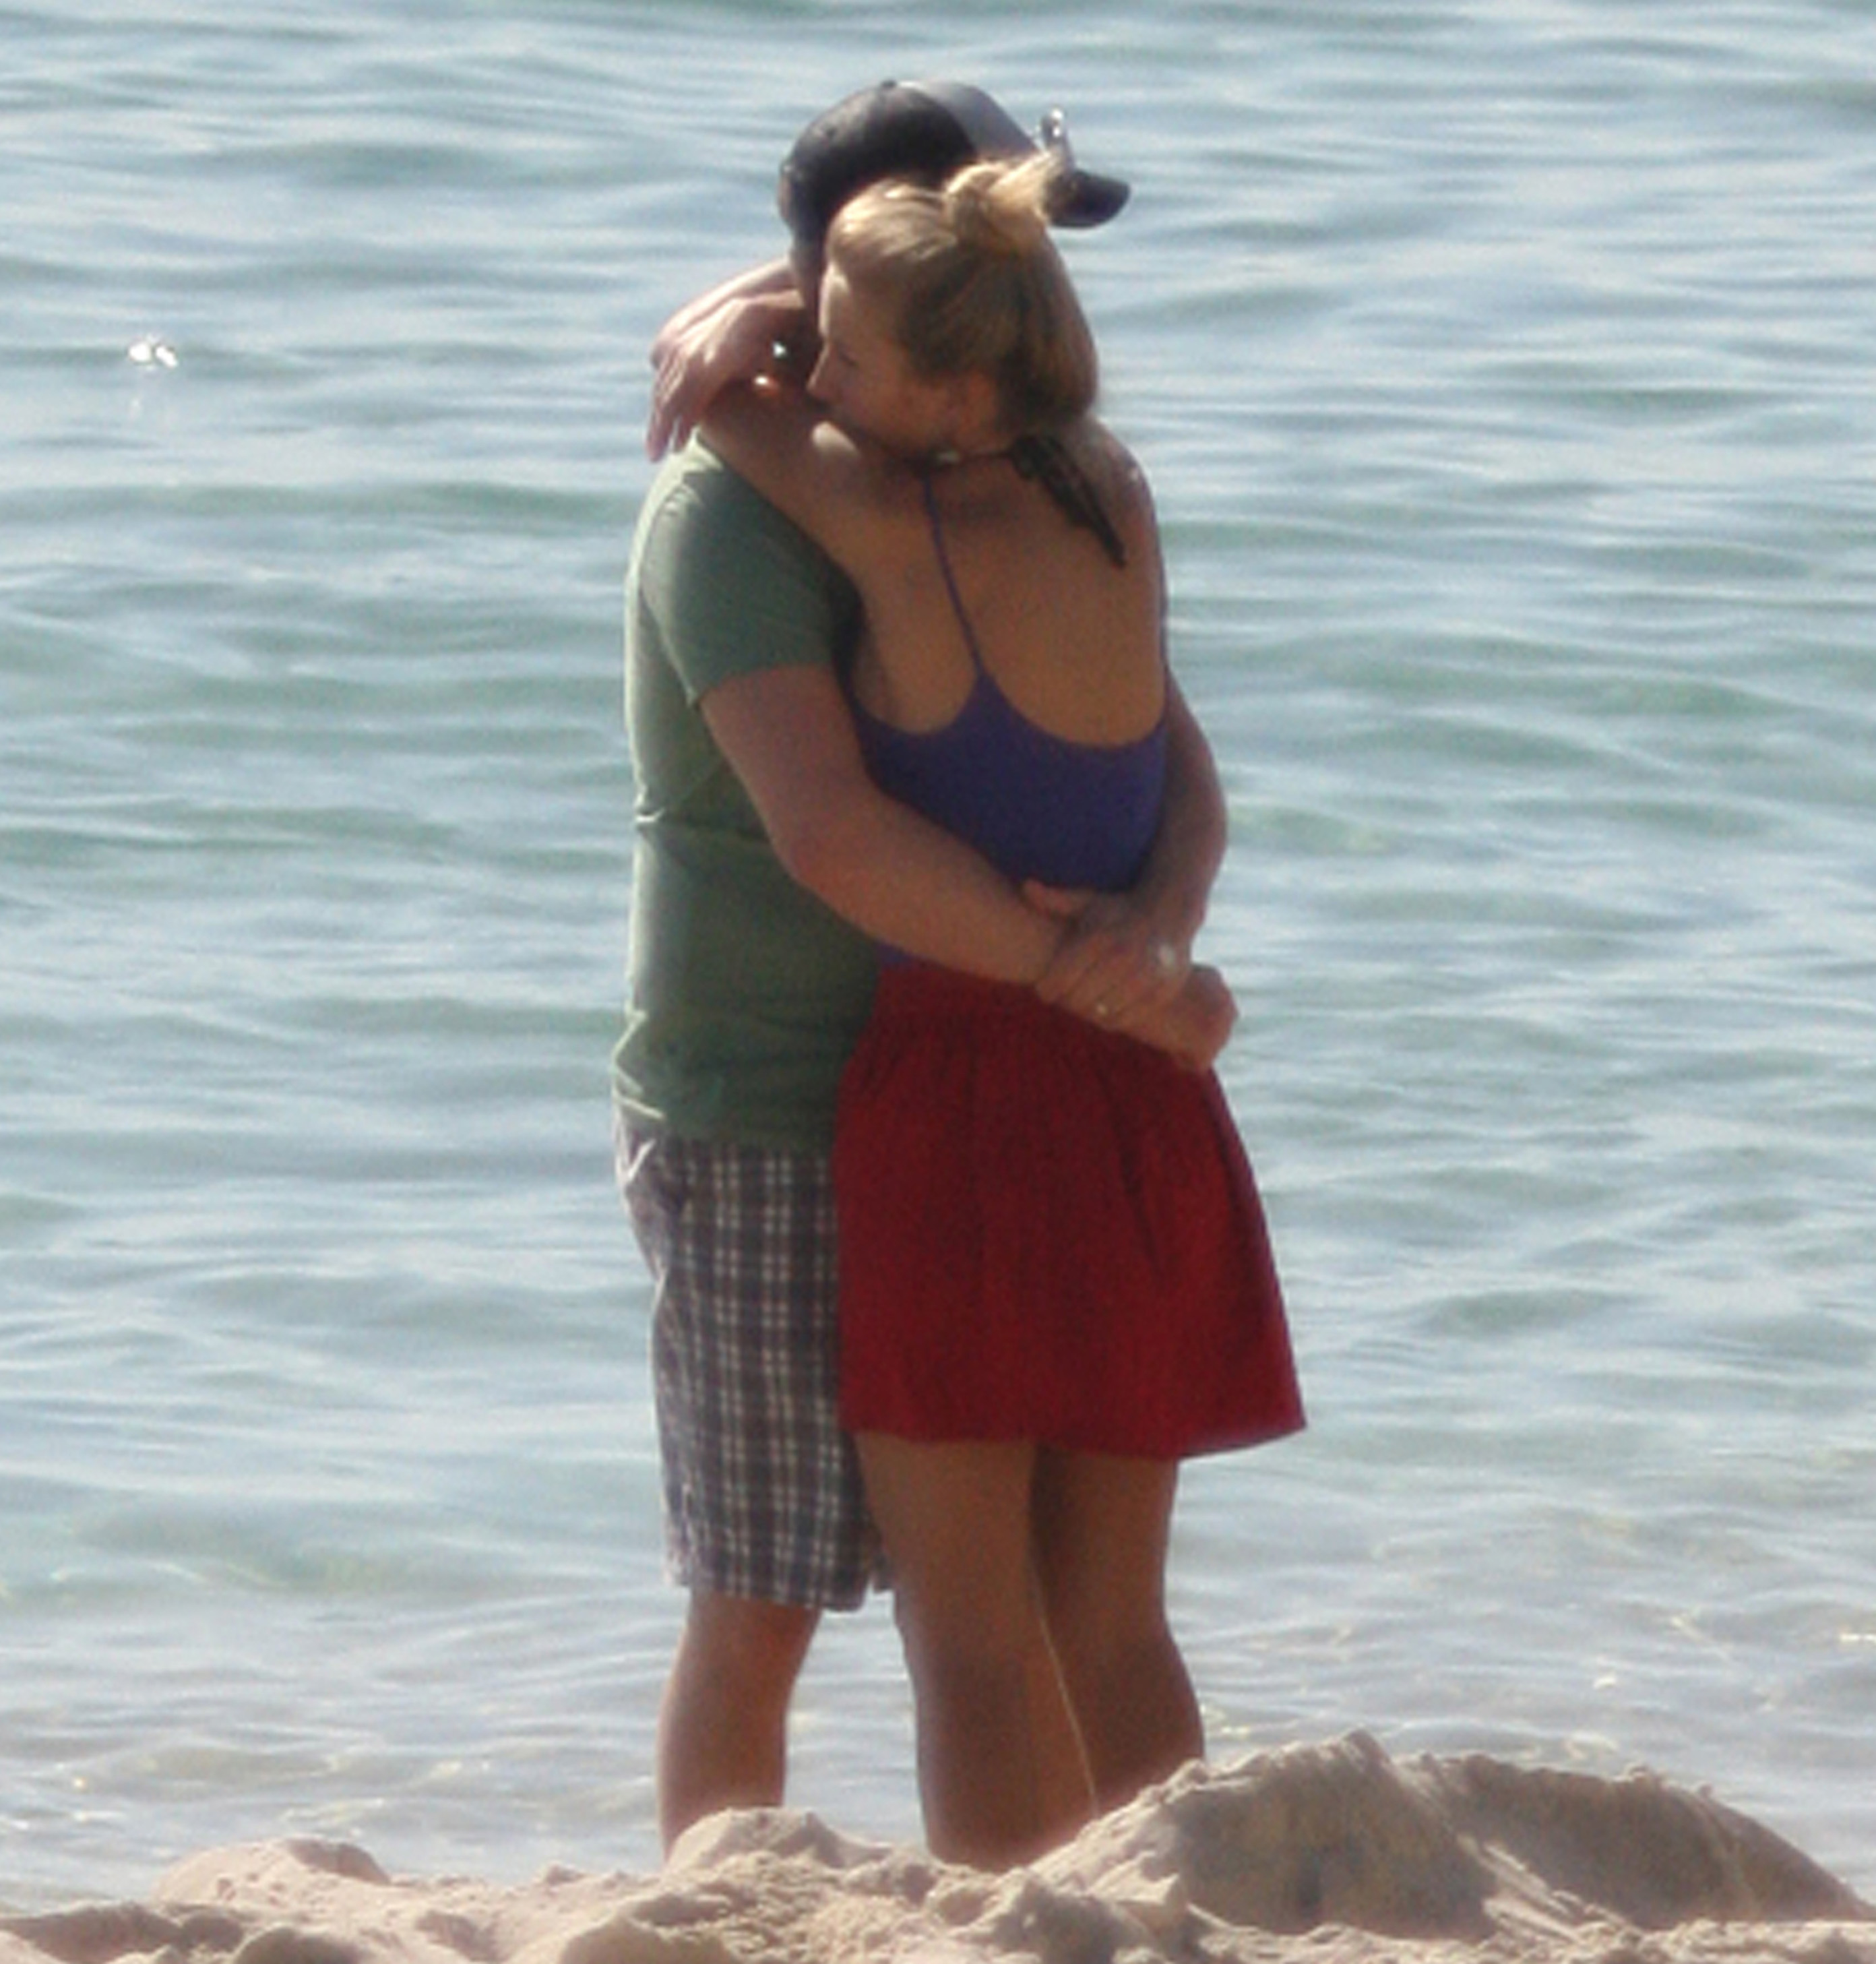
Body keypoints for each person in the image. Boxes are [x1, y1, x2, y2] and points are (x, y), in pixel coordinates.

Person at [615, 80, 1233, 1856]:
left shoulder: (970, 496)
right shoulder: (786, 512)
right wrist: (1130, 978)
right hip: (780, 1096)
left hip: (967, 1087)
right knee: (768, 1600)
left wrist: (1152, 938)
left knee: (1005, 1626)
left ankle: (1082, 1918)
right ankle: (720, 1924)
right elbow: (836, 831)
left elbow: (1172, 756)